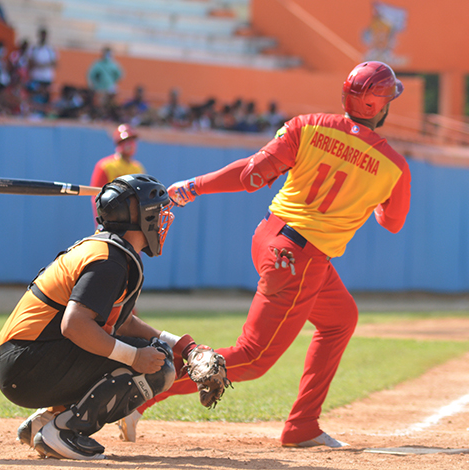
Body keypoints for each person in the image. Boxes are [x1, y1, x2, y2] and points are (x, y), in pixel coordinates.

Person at [120, 61, 412, 448]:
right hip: (302, 257)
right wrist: (373, 202)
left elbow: (251, 176)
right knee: (253, 358)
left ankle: (303, 425)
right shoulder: (394, 166)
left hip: (271, 237)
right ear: (381, 106)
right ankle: (139, 392)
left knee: (340, 319)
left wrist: (195, 186)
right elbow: (391, 223)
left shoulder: (307, 125)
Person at [0, 174, 215, 460]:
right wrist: (135, 358)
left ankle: (45, 423)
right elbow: (74, 325)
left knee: (148, 350)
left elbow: (124, 322)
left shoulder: (107, 250)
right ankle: (63, 431)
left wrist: (183, 346)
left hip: (26, 360)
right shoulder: (109, 260)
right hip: (28, 365)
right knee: (157, 365)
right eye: (158, 212)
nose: (161, 220)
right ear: (141, 216)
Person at [89, 123, 145, 223]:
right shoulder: (105, 165)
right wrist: (101, 221)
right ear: (118, 143)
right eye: (126, 141)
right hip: (111, 218)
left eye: (132, 140)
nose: (130, 144)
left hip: (131, 220)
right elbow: (95, 196)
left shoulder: (138, 168)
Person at [87, 46, 123, 111]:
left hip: (110, 88)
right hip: (100, 88)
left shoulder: (114, 64)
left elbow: (120, 75)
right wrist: (93, 85)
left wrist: (113, 82)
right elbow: (91, 75)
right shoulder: (98, 64)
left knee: (111, 105)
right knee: (101, 105)